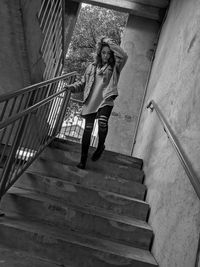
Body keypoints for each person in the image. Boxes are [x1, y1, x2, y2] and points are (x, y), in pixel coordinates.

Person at [66, 36, 128, 169]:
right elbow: (82, 83)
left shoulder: (115, 66)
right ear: (100, 53)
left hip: (106, 99)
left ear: (111, 54)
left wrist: (107, 42)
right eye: (103, 52)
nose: (106, 55)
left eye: (108, 53)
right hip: (91, 101)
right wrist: (72, 88)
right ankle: (83, 160)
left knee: (102, 123)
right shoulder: (91, 67)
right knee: (87, 131)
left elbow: (123, 55)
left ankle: (100, 146)